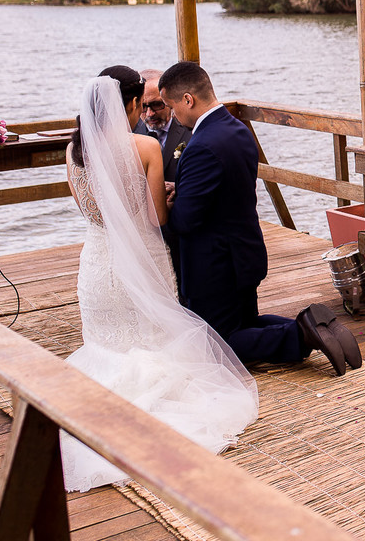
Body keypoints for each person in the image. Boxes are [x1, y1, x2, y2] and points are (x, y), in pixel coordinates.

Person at [63, 66, 258, 492]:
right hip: (141, 260)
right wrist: (167, 194)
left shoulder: (73, 151)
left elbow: (95, 213)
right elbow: (156, 218)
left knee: (105, 346)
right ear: (131, 105)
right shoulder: (146, 147)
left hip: (96, 266)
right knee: (154, 338)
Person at [158, 61, 361, 375]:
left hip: (215, 266)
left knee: (216, 342)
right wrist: (184, 189)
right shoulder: (236, 130)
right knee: (245, 324)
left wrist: (169, 204)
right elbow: (224, 191)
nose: (173, 116)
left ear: (188, 99)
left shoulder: (201, 146)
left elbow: (185, 221)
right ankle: (320, 322)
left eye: (171, 107)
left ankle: (303, 333)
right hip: (244, 252)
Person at [134, 68, 191, 182]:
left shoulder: (190, 128)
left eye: (156, 104)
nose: (150, 114)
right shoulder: (130, 133)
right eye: (143, 106)